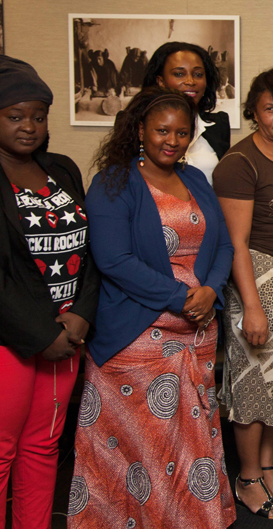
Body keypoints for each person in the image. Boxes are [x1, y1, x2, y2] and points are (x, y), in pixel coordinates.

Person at [67, 87, 235, 528]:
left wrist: (212, 290)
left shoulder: (196, 179)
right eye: (162, 130)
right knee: (143, 448)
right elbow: (113, 260)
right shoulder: (113, 182)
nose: (172, 140)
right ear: (140, 129)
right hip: (135, 337)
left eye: (182, 133)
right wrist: (182, 297)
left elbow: (222, 244)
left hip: (197, 332)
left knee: (190, 441)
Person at [0, 55, 99, 529]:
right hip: (12, 338)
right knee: (1, 451)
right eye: (15, 116)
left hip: (67, 334)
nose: (29, 127)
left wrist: (81, 314)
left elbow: (91, 248)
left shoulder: (61, 169)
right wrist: (41, 332)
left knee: (43, 446)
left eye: (38, 116)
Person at [213, 67, 273, 520]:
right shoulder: (239, 163)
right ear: (254, 109)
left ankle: (268, 466)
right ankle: (247, 475)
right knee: (254, 381)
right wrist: (251, 306)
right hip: (259, 277)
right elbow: (235, 244)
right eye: (270, 107)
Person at [141, 42, 230, 182]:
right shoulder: (138, 123)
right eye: (179, 74)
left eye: (198, 74)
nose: (190, 81)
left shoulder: (219, 124)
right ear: (160, 81)